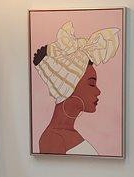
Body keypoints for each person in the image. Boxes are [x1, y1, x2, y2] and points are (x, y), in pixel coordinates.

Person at [33, 20, 119, 155]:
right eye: (91, 83)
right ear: (68, 86)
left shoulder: (67, 134)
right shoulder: (54, 139)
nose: (98, 91)